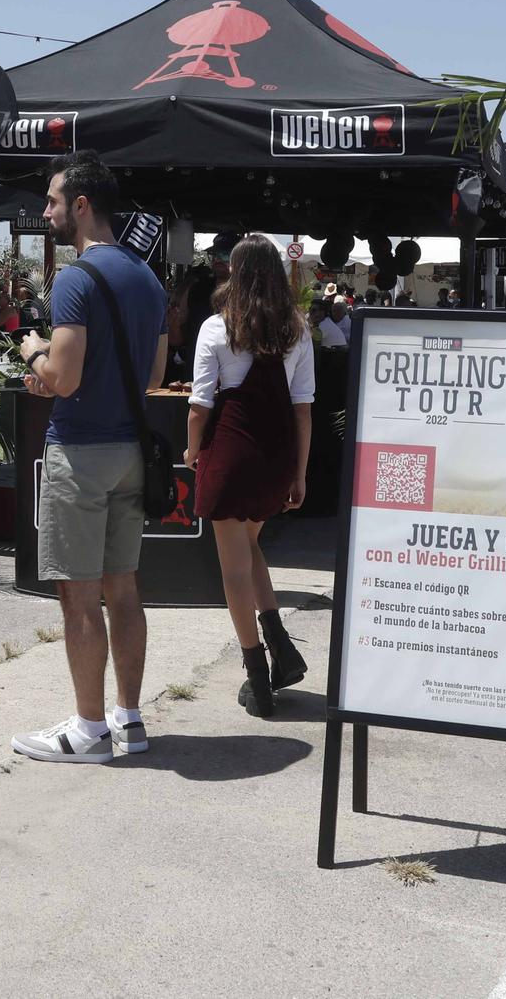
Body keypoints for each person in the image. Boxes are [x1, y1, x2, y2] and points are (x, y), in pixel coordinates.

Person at [14, 151, 168, 764]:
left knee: (78, 597)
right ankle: (128, 719)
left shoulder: (75, 278)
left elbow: (66, 378)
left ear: (81, 205)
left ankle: (87, 730)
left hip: (80, 451)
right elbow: (154, 373)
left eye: (52, 200)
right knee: (123, 590)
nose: (46, 211)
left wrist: (33, 353)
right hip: (133, 449)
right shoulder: (148, 277)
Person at [183, 235, 314, 717]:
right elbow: (304, 410)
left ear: (234, 275)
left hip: (232, 452)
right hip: (277, 455)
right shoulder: (296, 330)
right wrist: (299, 473)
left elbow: (200, 406)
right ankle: (282, 648)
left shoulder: (218, 328)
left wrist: (192, 451)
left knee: (233, 569)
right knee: (251, 546)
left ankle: (257, 675)